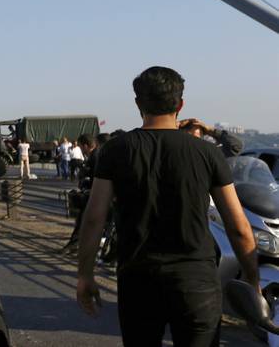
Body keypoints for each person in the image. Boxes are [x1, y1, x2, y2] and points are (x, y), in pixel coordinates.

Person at [76, 66, 258, 347]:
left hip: (138, 278)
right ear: (181, 104)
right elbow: (238, 226)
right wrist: (252, 279)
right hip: (197, 281)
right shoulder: (207, 153)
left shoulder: (116, 149)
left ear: (138, 104)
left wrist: (85, 275)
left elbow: (93, 218)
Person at [179, 118, 244, 157]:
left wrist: (210, 130)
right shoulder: (175, 154)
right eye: (190, 138)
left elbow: (236, 146)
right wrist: (177, 124)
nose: (194, 142)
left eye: (197, 139)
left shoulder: (208, 154)